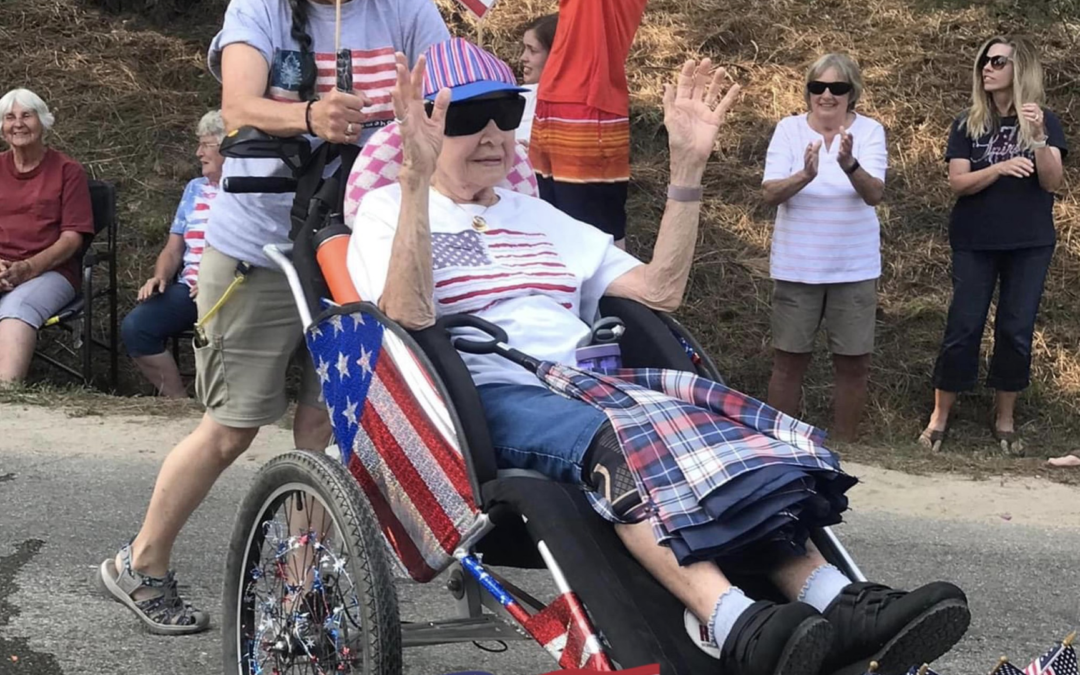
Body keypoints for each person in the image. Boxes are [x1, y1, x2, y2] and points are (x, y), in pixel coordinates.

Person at [347, 38, 969, 675]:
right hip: (484, 392)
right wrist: (417, 183)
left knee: (732, 436)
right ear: (421, 125)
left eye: (505, 113)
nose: (490, 133)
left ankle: (837, 599)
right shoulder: (387, 210)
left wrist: (687, 171)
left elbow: (660, 290)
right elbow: (406, 316)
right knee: (623, 439)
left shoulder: (536, 215)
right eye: (463, 118)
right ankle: (733, 620)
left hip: (590, 380)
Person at [98, 0, 449, 635]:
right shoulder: (258, 8)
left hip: (362, 245)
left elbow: (448, 91)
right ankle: (140, 562)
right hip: (259, 248)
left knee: (326, 426)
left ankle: (299, 589)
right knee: (232, 427)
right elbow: (238, 107)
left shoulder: (409, 9)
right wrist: (310, 114)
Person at [918, 36, 1066, 454]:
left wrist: (1037, 137)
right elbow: (958, 183)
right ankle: (939, 417)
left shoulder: (1044, 119)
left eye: (998, 61)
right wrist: (999, 167)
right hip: (975, 241)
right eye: (985, 60)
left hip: (1030, 243)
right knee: (963, 326)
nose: (988, 67)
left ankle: (1005, 419)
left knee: (1016, 330)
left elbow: (1052, 182)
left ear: (1021, 69)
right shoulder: (968, 121)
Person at [761, 54, 888, 443]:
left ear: (853, 93)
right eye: (818, 87)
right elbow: (769, 192)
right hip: (798, 267)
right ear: (809, 92)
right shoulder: (788, 130)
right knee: (788, 362)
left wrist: (849, 165)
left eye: (838, 88)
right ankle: (782, 447)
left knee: (853, 362)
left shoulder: (869, 132)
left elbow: (874, 194)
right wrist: (805, 175)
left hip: (854, 268)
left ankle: (846, 446)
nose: (827, 95)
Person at [121, 110, 224, 398]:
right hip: (189, 289)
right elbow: (174, 247)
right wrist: (160, 276)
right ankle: (178, 402)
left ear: (229, 147)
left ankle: (225, 407)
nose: (198, 152)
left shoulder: (250, 191)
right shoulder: (194, 189)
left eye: (206, 145)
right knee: (137, 327)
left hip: (234, 291)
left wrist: (217, 281)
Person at [529, 0, 648, 249]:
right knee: (548, 228)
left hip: (586, 108)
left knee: (593, 238)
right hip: (553, 101)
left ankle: (614, 289)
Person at [0, 88, 95, 384]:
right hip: (2, 266)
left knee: (17, 306)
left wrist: (28, 269)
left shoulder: (68, 171)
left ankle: (7, 393)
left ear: (43, 122)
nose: (18, 124)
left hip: (52, 272)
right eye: (9, 117)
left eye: (27, 115)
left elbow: (71, 240)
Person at [516, 13, 557, 146]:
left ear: (556, 55)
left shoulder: (581, 107)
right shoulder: (520, 97)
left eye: (532, 50)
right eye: (524, 48)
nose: (523, 57)